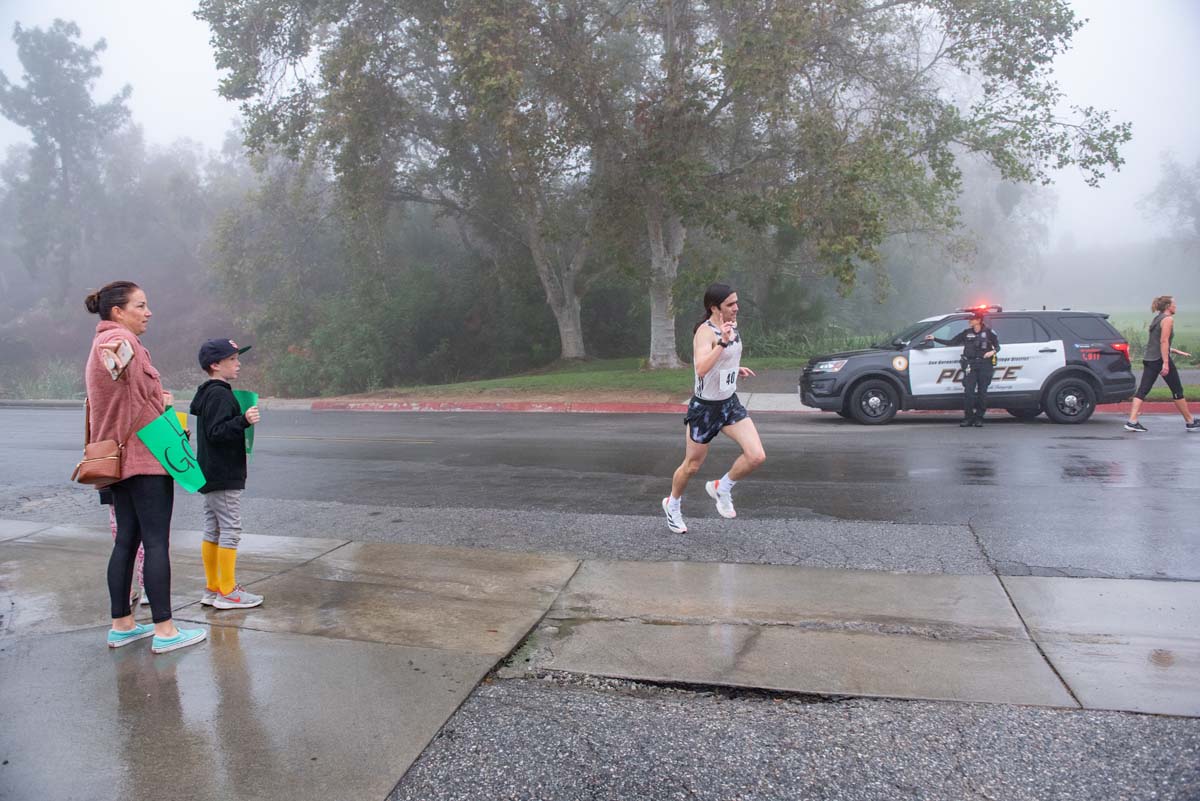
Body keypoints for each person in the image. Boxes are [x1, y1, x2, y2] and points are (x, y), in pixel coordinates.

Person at [84, 281, 206, 653]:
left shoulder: (104, 342)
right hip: (144, 458)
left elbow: (123, 394)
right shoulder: (118, 341)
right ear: (118, 311)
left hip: (118, 459)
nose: (148, 312)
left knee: (127, 541)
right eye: (140, 305)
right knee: (155, 542)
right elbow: (119, 368)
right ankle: (166, 630)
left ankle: (122, 624)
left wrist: (154, 397)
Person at [662, 283, 765, 534]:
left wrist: (733, 369)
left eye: (736, 302)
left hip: (730, 404)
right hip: (705, 409)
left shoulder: (732, 327)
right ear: (714, 307)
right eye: (730, 304)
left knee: (756, 456)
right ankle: (672, 504)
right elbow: (701, 368)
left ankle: (722, 486)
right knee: (692, 465)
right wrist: (722, 343)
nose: (736, 308)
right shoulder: (705, 333)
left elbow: (725, 359)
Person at [190, 338, 264, 609]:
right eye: (232, 359)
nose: (238, 363)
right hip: (223, 472)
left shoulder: (208, 392)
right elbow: (217, 432)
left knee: (214, 529)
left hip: (210, 473)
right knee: (230, 529)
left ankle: (213, 588)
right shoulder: (221, 394)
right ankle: (228, 591)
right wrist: (243, 420)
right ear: (215, 364)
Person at [1124, 295, 1199, 433]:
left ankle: (1132, 421)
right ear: (1168, 306)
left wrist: (1176, 351)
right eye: (1174, 304)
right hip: (1159, 359)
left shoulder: (1157, 318)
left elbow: (1156, 342)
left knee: (1143, 390)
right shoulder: (1168, 319)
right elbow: (1163, 341)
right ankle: (1190, 421)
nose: (1175, 306)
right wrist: (1165, 363)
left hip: (1150, 359)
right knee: (1177, 390)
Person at [929, 312, 1000, 427]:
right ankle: (968, 418)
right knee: (968, 392)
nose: (969, 321)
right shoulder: (966, 333)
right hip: (970, 364)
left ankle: (979, 418)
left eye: (971, 319)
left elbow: (998, 346)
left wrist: (992, 352)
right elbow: (952, 342)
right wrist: (935, 338)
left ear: (978, 320)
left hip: (985, 364)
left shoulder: (989, 332)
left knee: (982, 392)